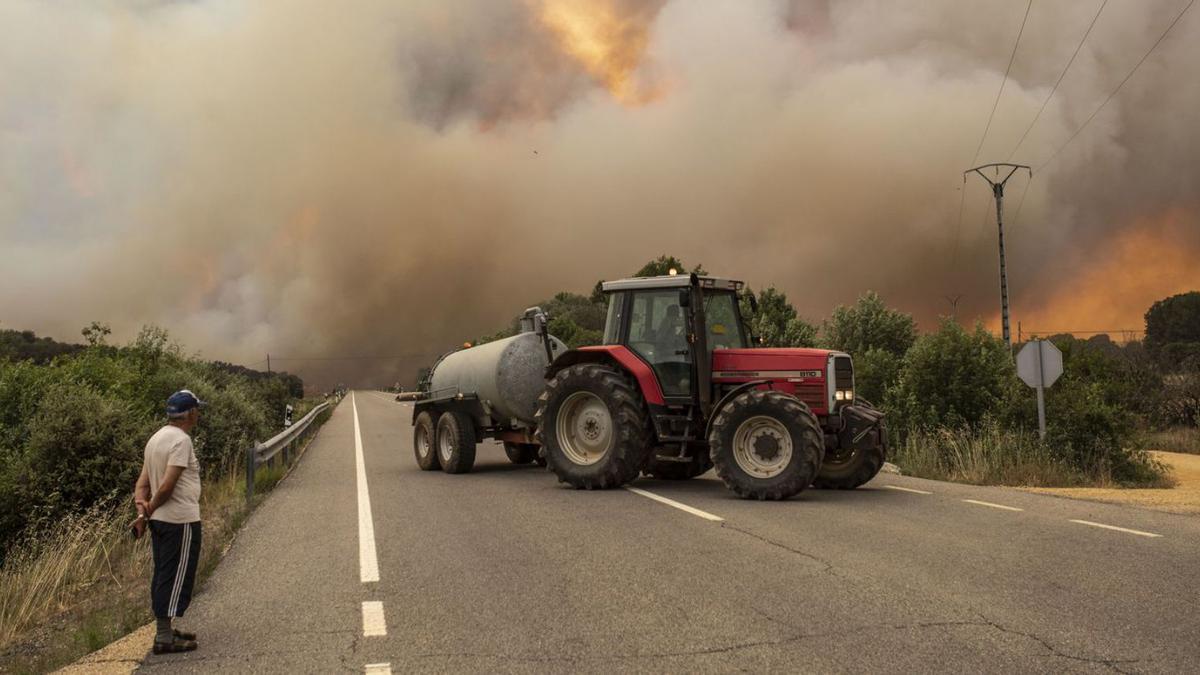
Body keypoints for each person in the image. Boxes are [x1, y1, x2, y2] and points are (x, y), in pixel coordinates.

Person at [132, 389, 206, 654]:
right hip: (180, 521)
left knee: (164, 573)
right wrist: (149, 508)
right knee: (176, 576)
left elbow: (142, 483)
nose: (199, 414)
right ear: (191, 413)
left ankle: (165, 629)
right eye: (197, 410)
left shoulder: (156, 438)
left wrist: (143, 512)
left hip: (160, 522)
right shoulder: (181, 441)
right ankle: (164, 637)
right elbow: (167, 486)